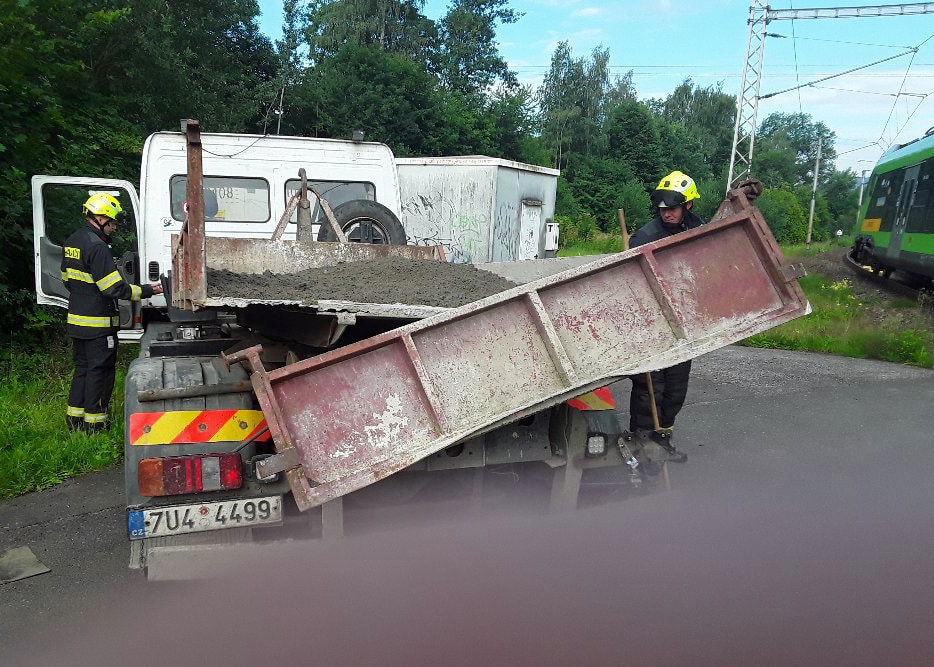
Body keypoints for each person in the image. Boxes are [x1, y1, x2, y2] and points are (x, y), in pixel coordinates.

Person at [62, 193, 163, 433]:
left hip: (77, 321)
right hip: (98, 324)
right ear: (98, 217)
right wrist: (149, 290)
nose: (114, 226)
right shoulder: (98, 247)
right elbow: (113, 288)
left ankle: (74, 420)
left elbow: (67, 280)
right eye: (112, 221)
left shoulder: (73, 241)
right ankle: (95, 424)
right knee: (101, 371)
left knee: (83, 369)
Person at [626, 170, 705, 463]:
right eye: (662, 208)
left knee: (674, 390)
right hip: (650, 325)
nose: (666, 214)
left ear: (688, 206)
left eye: (672, 208)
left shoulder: (699, 231)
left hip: (683, 326)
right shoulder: (645, 237)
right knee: (649, 390)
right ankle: (642, 449)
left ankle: (663, 439)